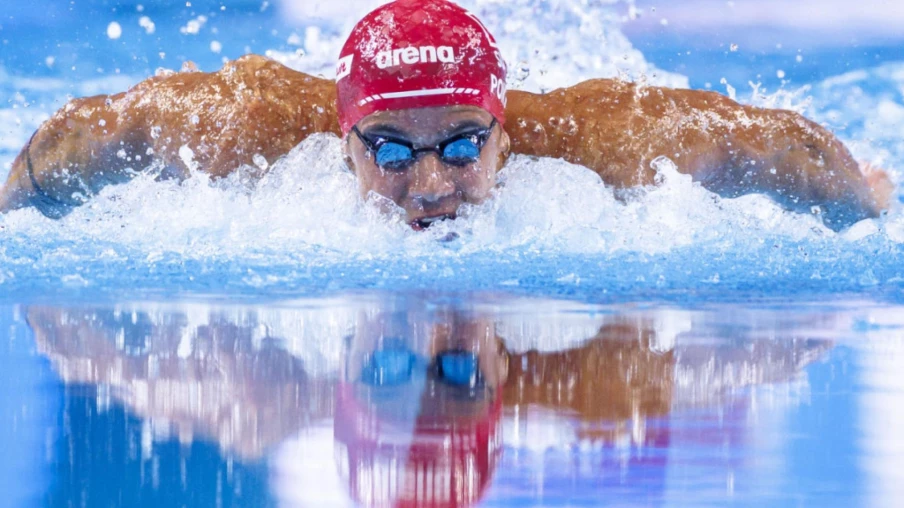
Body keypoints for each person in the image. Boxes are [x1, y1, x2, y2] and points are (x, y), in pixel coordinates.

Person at [0, 0, 892, 231]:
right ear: (342, 137)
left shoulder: (613, 146)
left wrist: (872, 200)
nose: (430, 188)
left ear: (505, 132)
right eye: (390, 152)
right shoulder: (245, 128)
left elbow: (775, 144)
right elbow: (83, 136)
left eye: (463, 145)